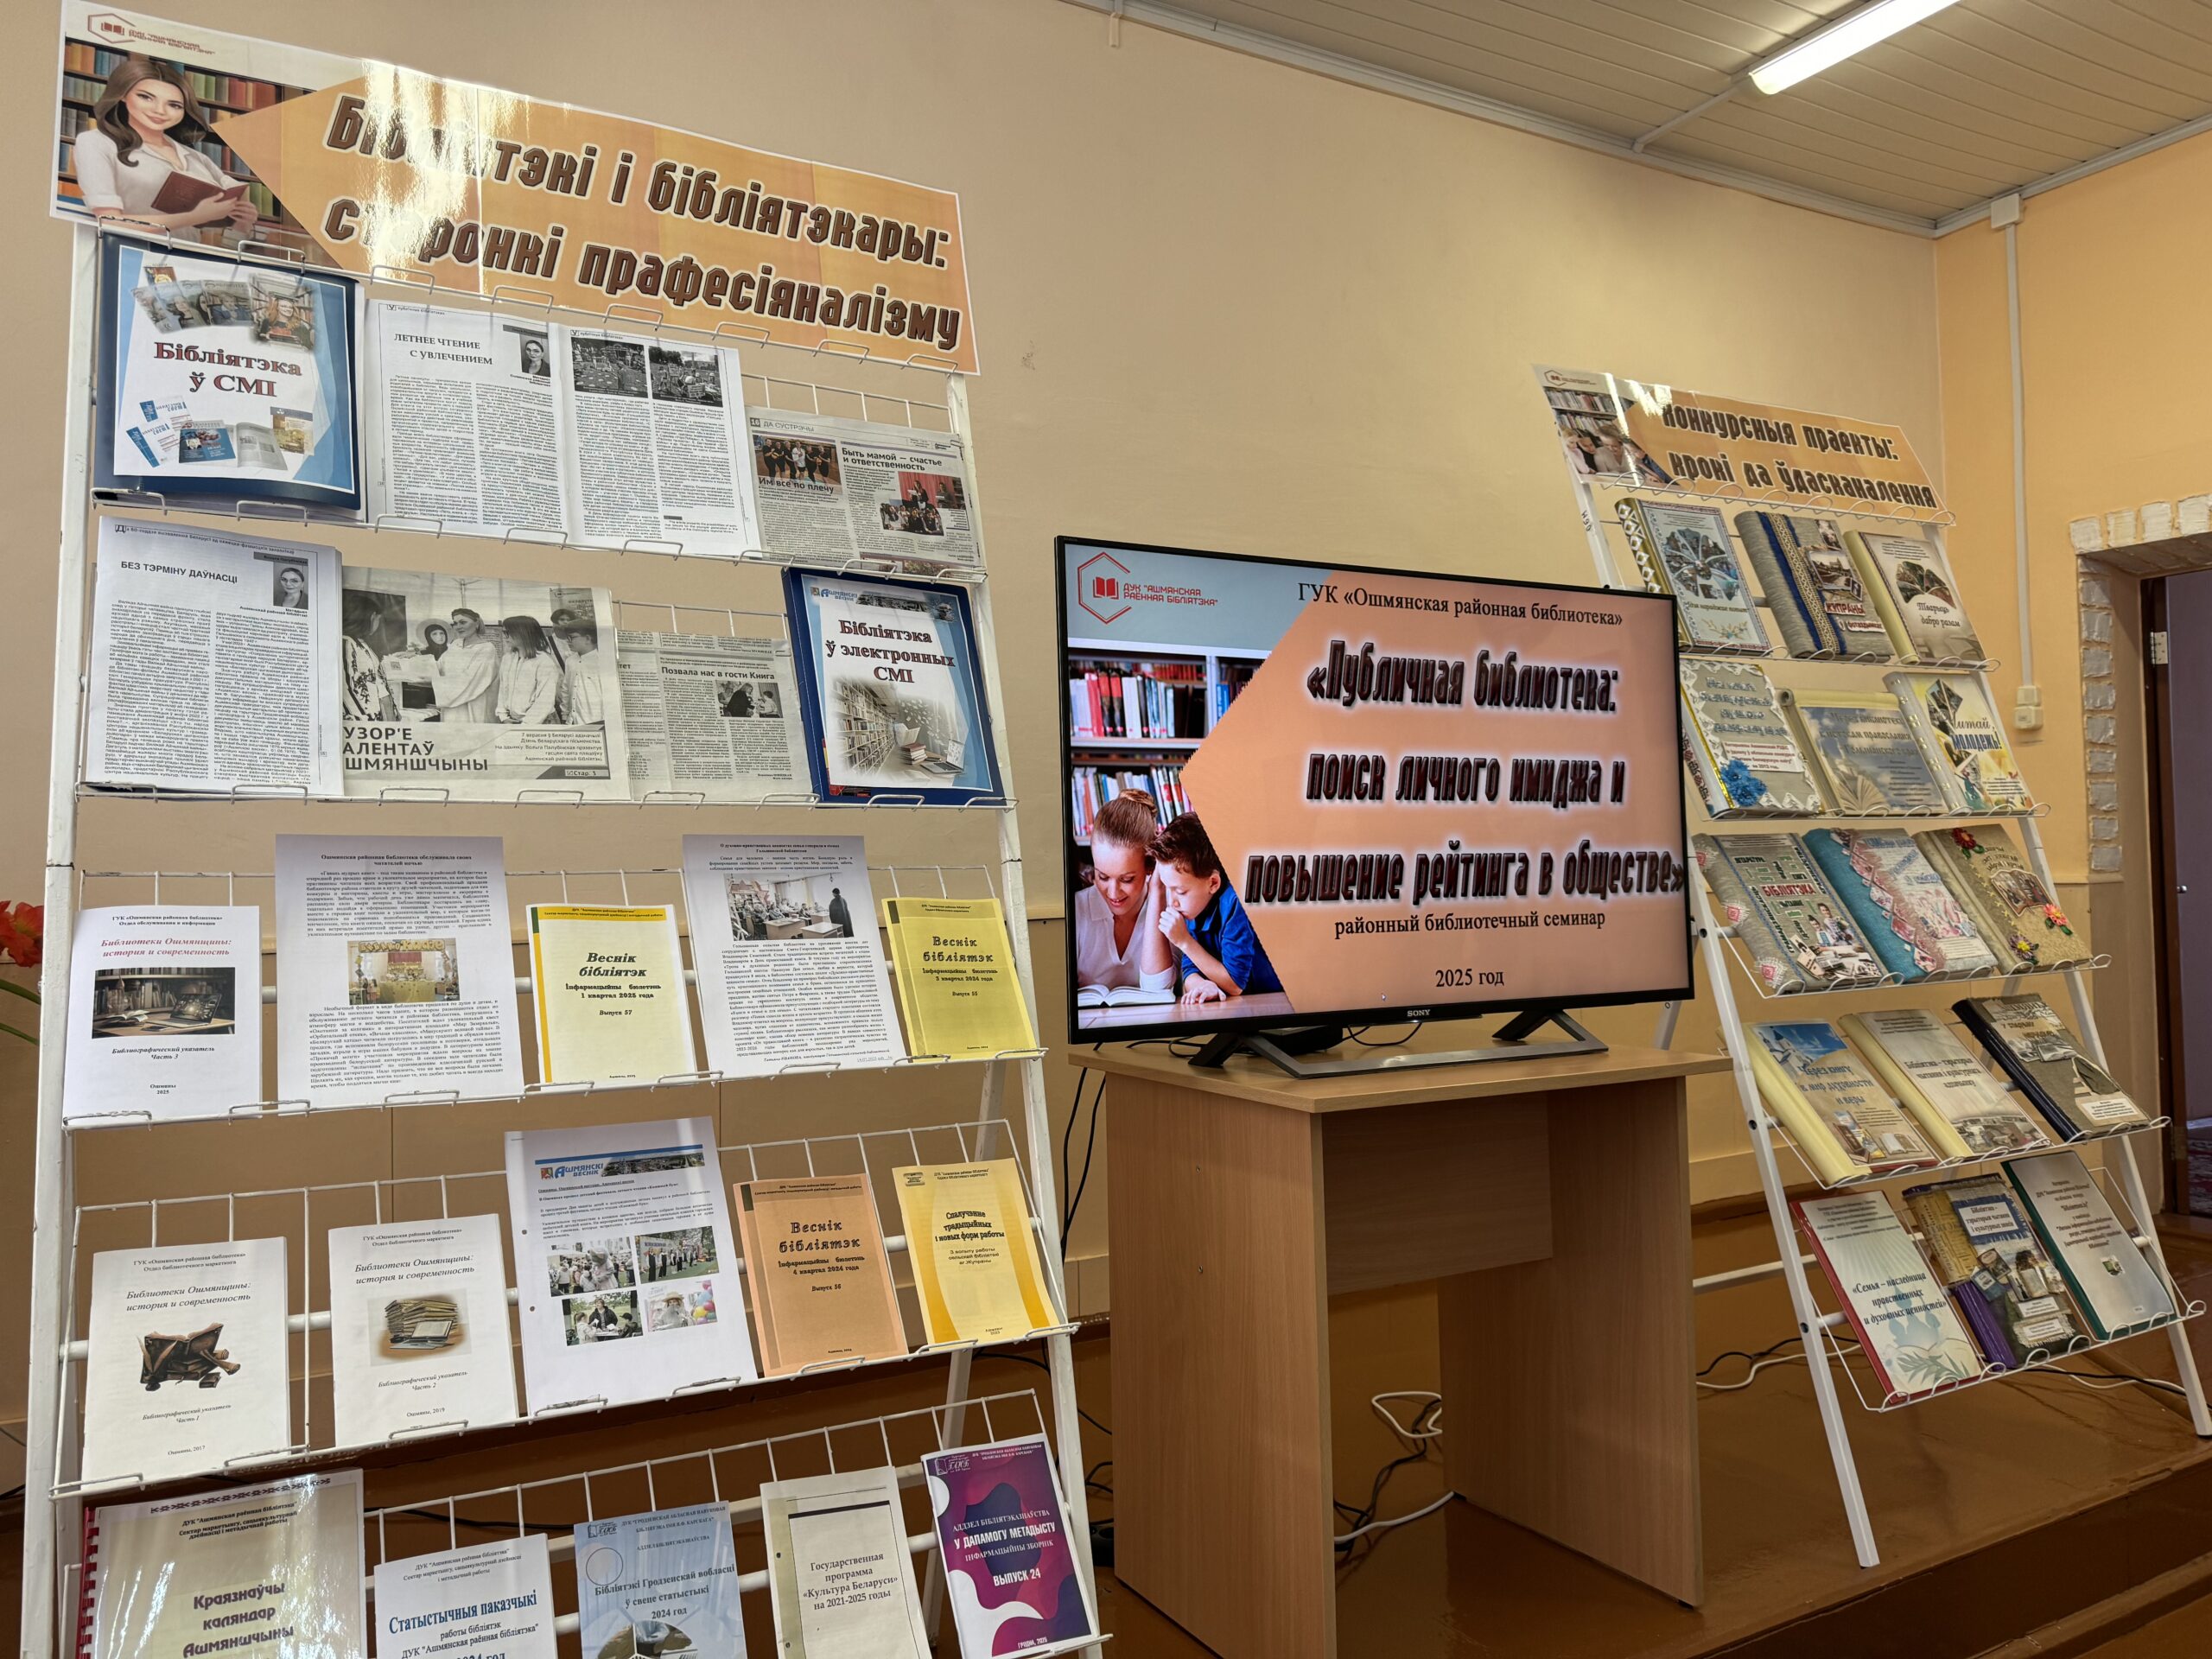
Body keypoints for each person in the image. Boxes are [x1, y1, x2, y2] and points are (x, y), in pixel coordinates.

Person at [73, 59, 257, 232]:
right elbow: (109, 221)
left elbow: (231, 226)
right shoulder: (96, 142)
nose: (160, 111)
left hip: (189, 253)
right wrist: (194, 217)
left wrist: (241, 221)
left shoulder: (197, 158)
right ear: (123, 95)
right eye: (146, 97)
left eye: (174, 105)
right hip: (130, 250)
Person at [1151, 812, 1281, 1005]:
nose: (1172, 902)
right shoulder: (1192, 905)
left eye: (1180, 891)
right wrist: (1203, 985)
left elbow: (1235, 985)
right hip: (1235, 1006)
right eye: (1166, 888)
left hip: (1270, 1003)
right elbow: (1189, 968)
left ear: (1213, 883)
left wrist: (1184, 941)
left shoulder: (1235, 904)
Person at [1071, 790, 1175, 995]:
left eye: (1127, 879)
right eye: (1102, 877)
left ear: (1150, 866)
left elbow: (1158, 989)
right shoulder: (1076, 909)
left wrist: (1157, 889)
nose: (1113, 893)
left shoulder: (1172, 906)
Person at [423, 607, 499, 723]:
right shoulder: (456, 644)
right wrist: (414, 659)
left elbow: (472, 680)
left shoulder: (486, 649)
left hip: (474, 705)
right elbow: (439, 666)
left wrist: (434, 681)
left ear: (477, 623)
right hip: (451, 705)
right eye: (455, 623)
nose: (458, 627)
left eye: (463, 622)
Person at [496, 616, 563, 724]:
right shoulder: (507, 659)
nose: (504, 636)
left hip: (540, 722)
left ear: (523, 633)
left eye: (508, 632)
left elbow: (545, 699)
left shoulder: (544, 661)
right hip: (512, 720)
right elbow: (503, 690)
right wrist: (503, 716)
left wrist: (526, 724)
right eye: (504, 632)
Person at [559, 624, 603, 724]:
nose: (568, 641)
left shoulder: (602, 661)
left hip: (594, 722)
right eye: (567, 637)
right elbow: (566, 689)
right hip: (571, 721)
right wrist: (564, 715)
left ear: (588, 639)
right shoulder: (570, 661)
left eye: (572, 637)